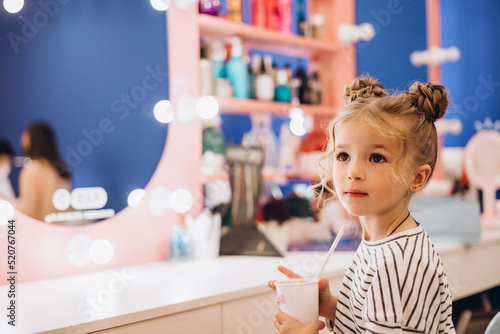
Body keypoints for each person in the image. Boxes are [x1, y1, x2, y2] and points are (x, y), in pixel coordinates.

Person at [268, 76, 456, 333]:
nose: (353, 172)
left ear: (417, 177)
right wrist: (333, 307)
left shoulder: (392, 263)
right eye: (343, 155)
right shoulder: (384, 241)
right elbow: (373, 321)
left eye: (377, 157)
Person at [16, 122, 72, 221]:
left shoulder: (32, 170)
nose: (21, 141)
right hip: (60, 230)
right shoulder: (59, 170)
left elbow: (28, 211)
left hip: (39, 231)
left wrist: (8, 204)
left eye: (25, 136)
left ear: (31, 140)